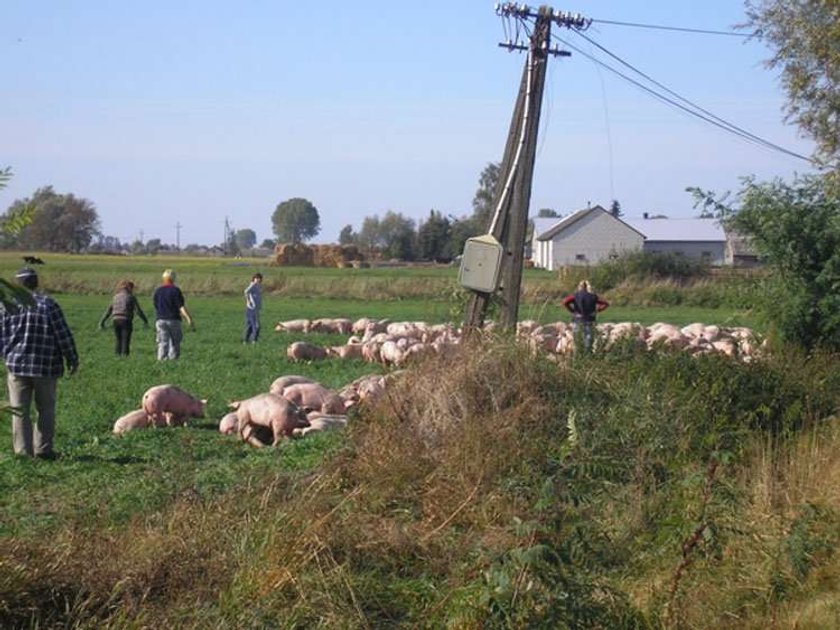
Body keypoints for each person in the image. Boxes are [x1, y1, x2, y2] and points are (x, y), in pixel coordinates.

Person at [0, 267, 79, 458]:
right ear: (36, 282)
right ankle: (43, 449)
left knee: (19, 411)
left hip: (16, 367)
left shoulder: (6, 307)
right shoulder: (48, 304)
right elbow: (62, 334)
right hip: (45, 366)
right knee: (46, 409)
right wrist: (72, 358)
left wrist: (6, 355)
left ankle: (22, 451)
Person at [98, 280, 149, 356]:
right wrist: (145, 321)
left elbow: (109, 310)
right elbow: (138, 311)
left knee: (118, 340)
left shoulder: (115, 297)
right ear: (130, 288)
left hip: (115, 320)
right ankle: (125, 358)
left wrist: (102, 322)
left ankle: (117, 357)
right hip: (126, 320)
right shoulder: (131, 297)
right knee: (125, 341)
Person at [152, 269, 195, 360]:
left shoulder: (158, 291)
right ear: (173, 279)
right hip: (174, 320)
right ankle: (173, 361)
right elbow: (181, 306)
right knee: (175, 342)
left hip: (160, 320)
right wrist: (188, 318)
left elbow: (156, 305)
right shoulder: (175, 290)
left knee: (162, 342)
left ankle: (161, 361)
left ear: (163, 278)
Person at [562, 279, 609, 352]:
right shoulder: (593, 296)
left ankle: (577, 358)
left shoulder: (575, 295)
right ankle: (587, 357)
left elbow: (565, 302)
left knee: (577, 342)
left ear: (579, 287)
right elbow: (606, 303)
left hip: (577, 320)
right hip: (589, 320)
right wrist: (597, 310)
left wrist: (573, 311)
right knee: (588, 342)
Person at [243, 272, 263, 343]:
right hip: (252, 309)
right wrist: (248, 301)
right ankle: (254, 340)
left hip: (254, 309)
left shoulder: (258, 286)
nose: (258, 280)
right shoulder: (253, 285)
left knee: (250, 325)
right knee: (256, 325)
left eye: (259, 278)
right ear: (254, 279)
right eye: (257, 278)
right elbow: (246, 291)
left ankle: (245, 340)